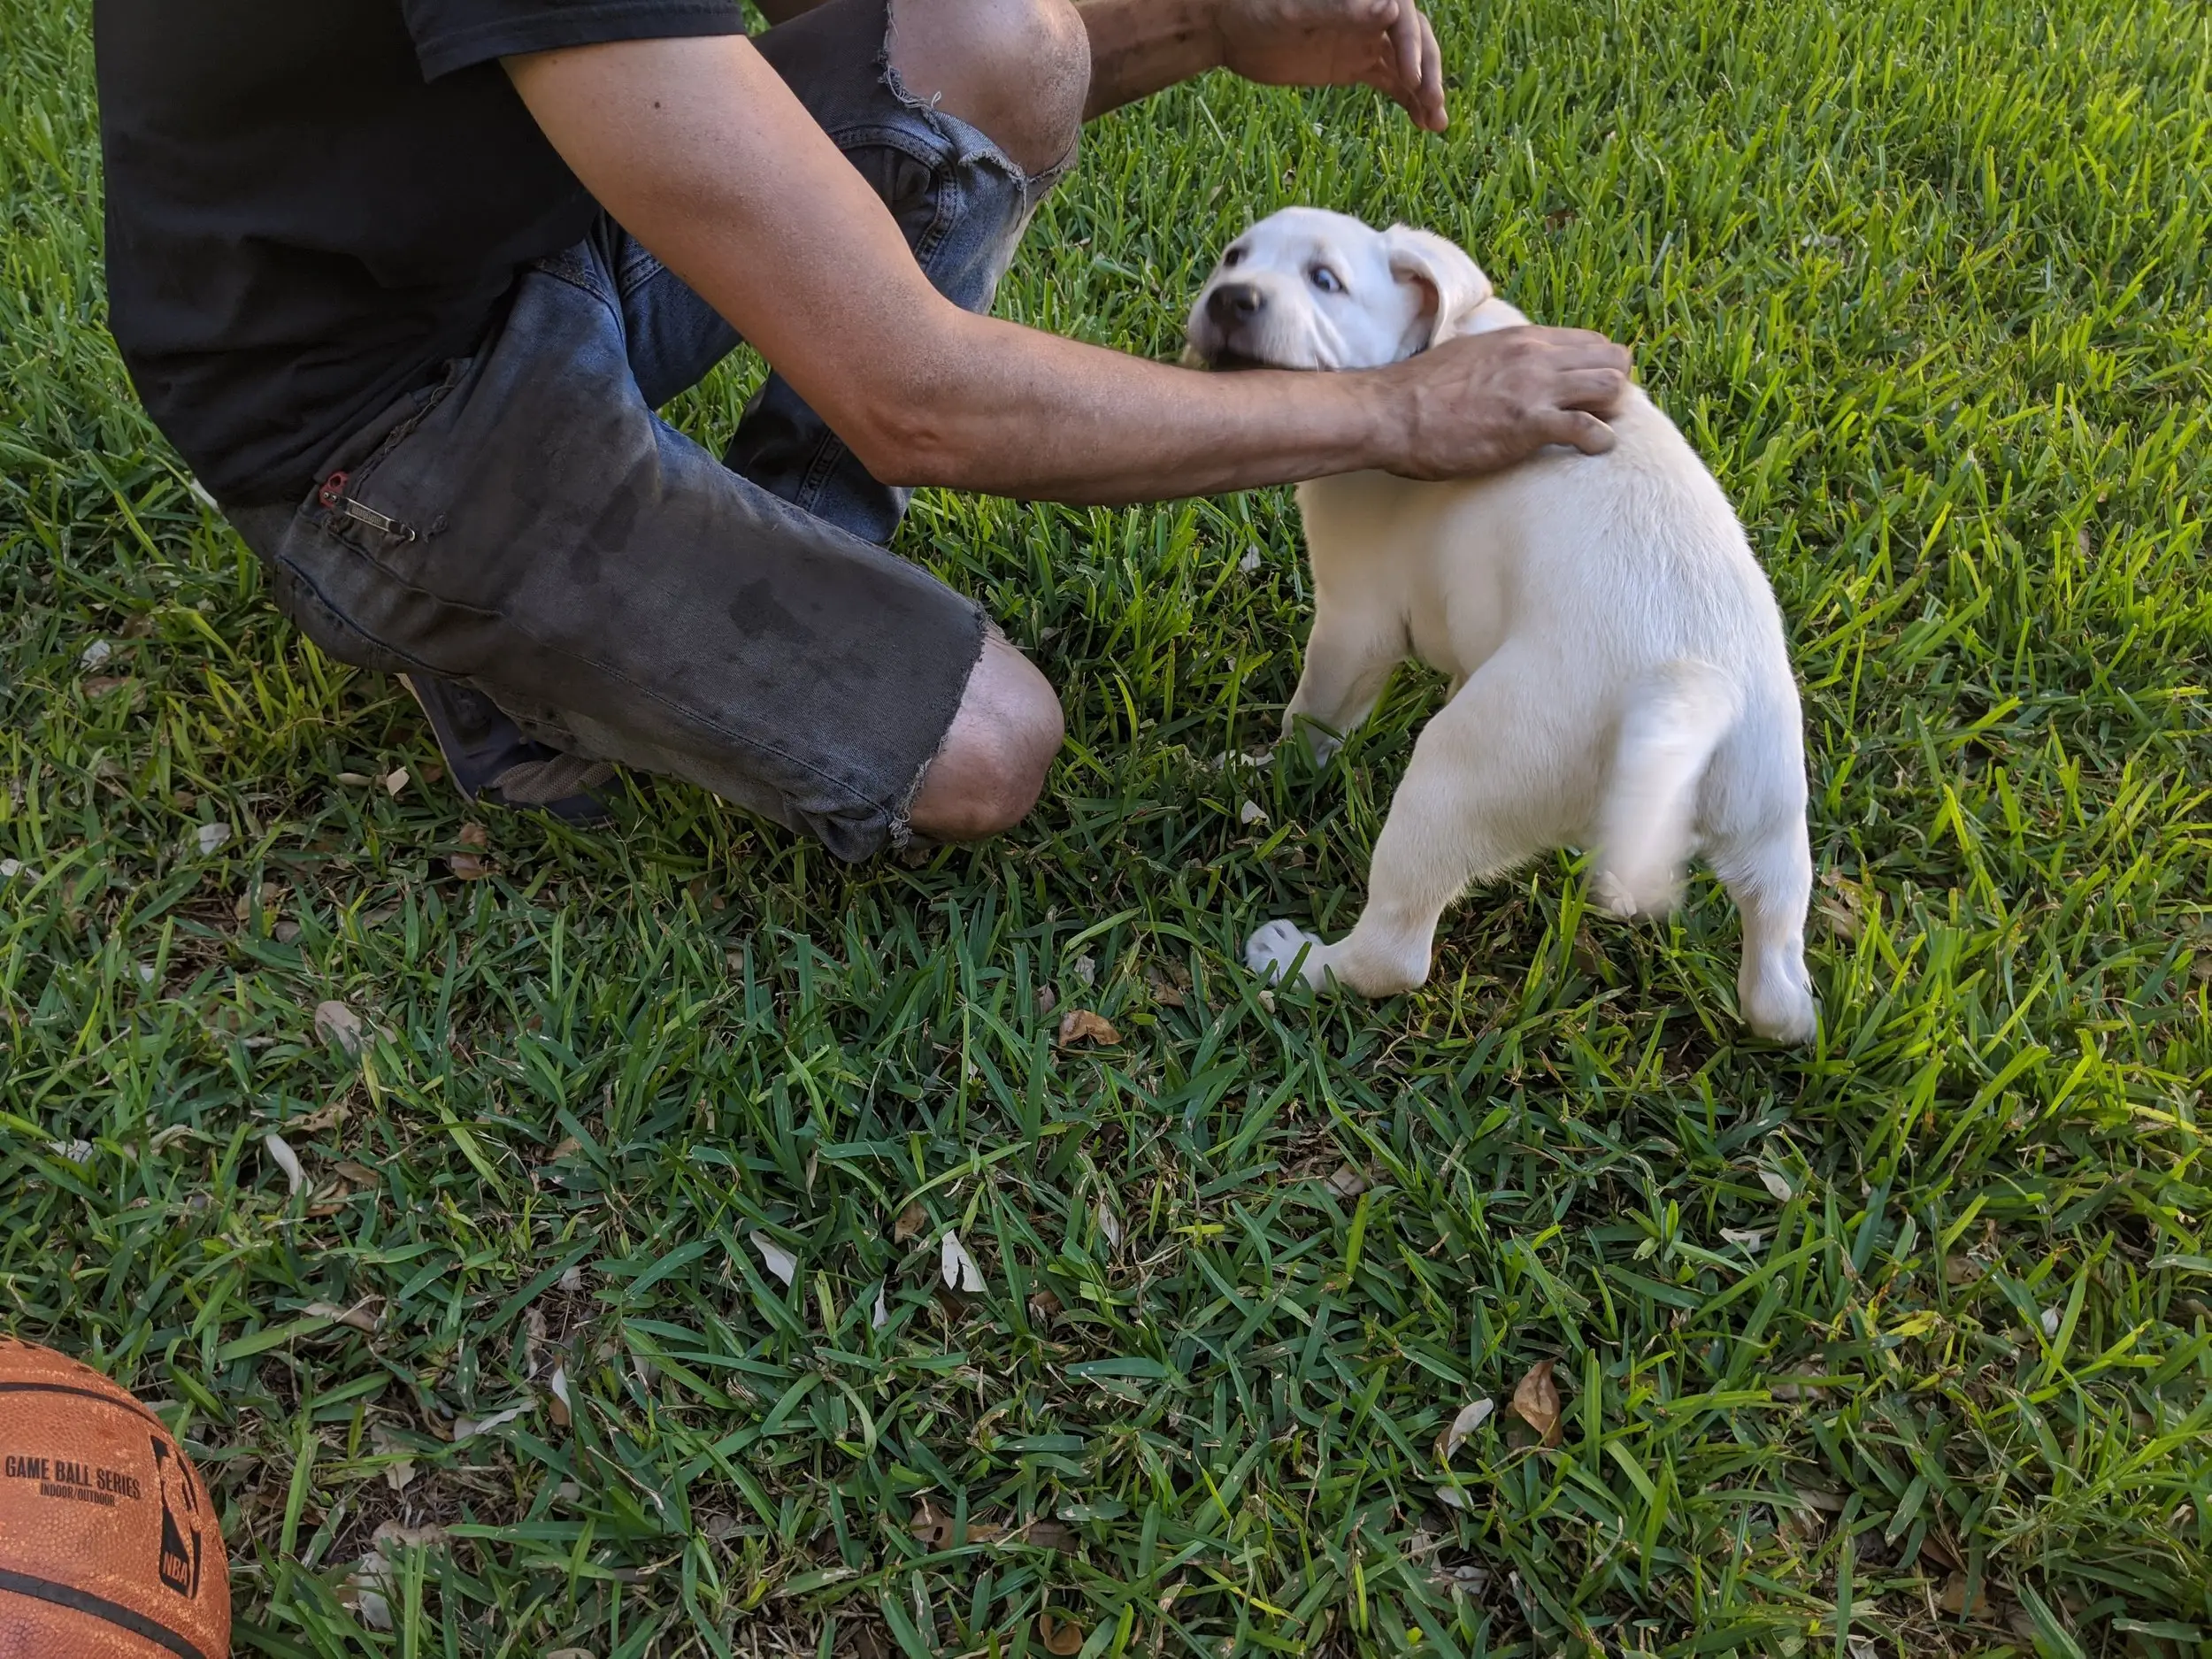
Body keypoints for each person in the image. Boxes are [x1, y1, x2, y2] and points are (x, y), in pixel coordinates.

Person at [94, 0, 1631, 857]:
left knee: (998, 39)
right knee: (987, 746)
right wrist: (1390, 406)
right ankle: (501, 654)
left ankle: (756, 559)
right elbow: (918, 399)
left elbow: (906, 38)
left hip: (527, 221)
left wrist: (1208, 22)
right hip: (381, 410)